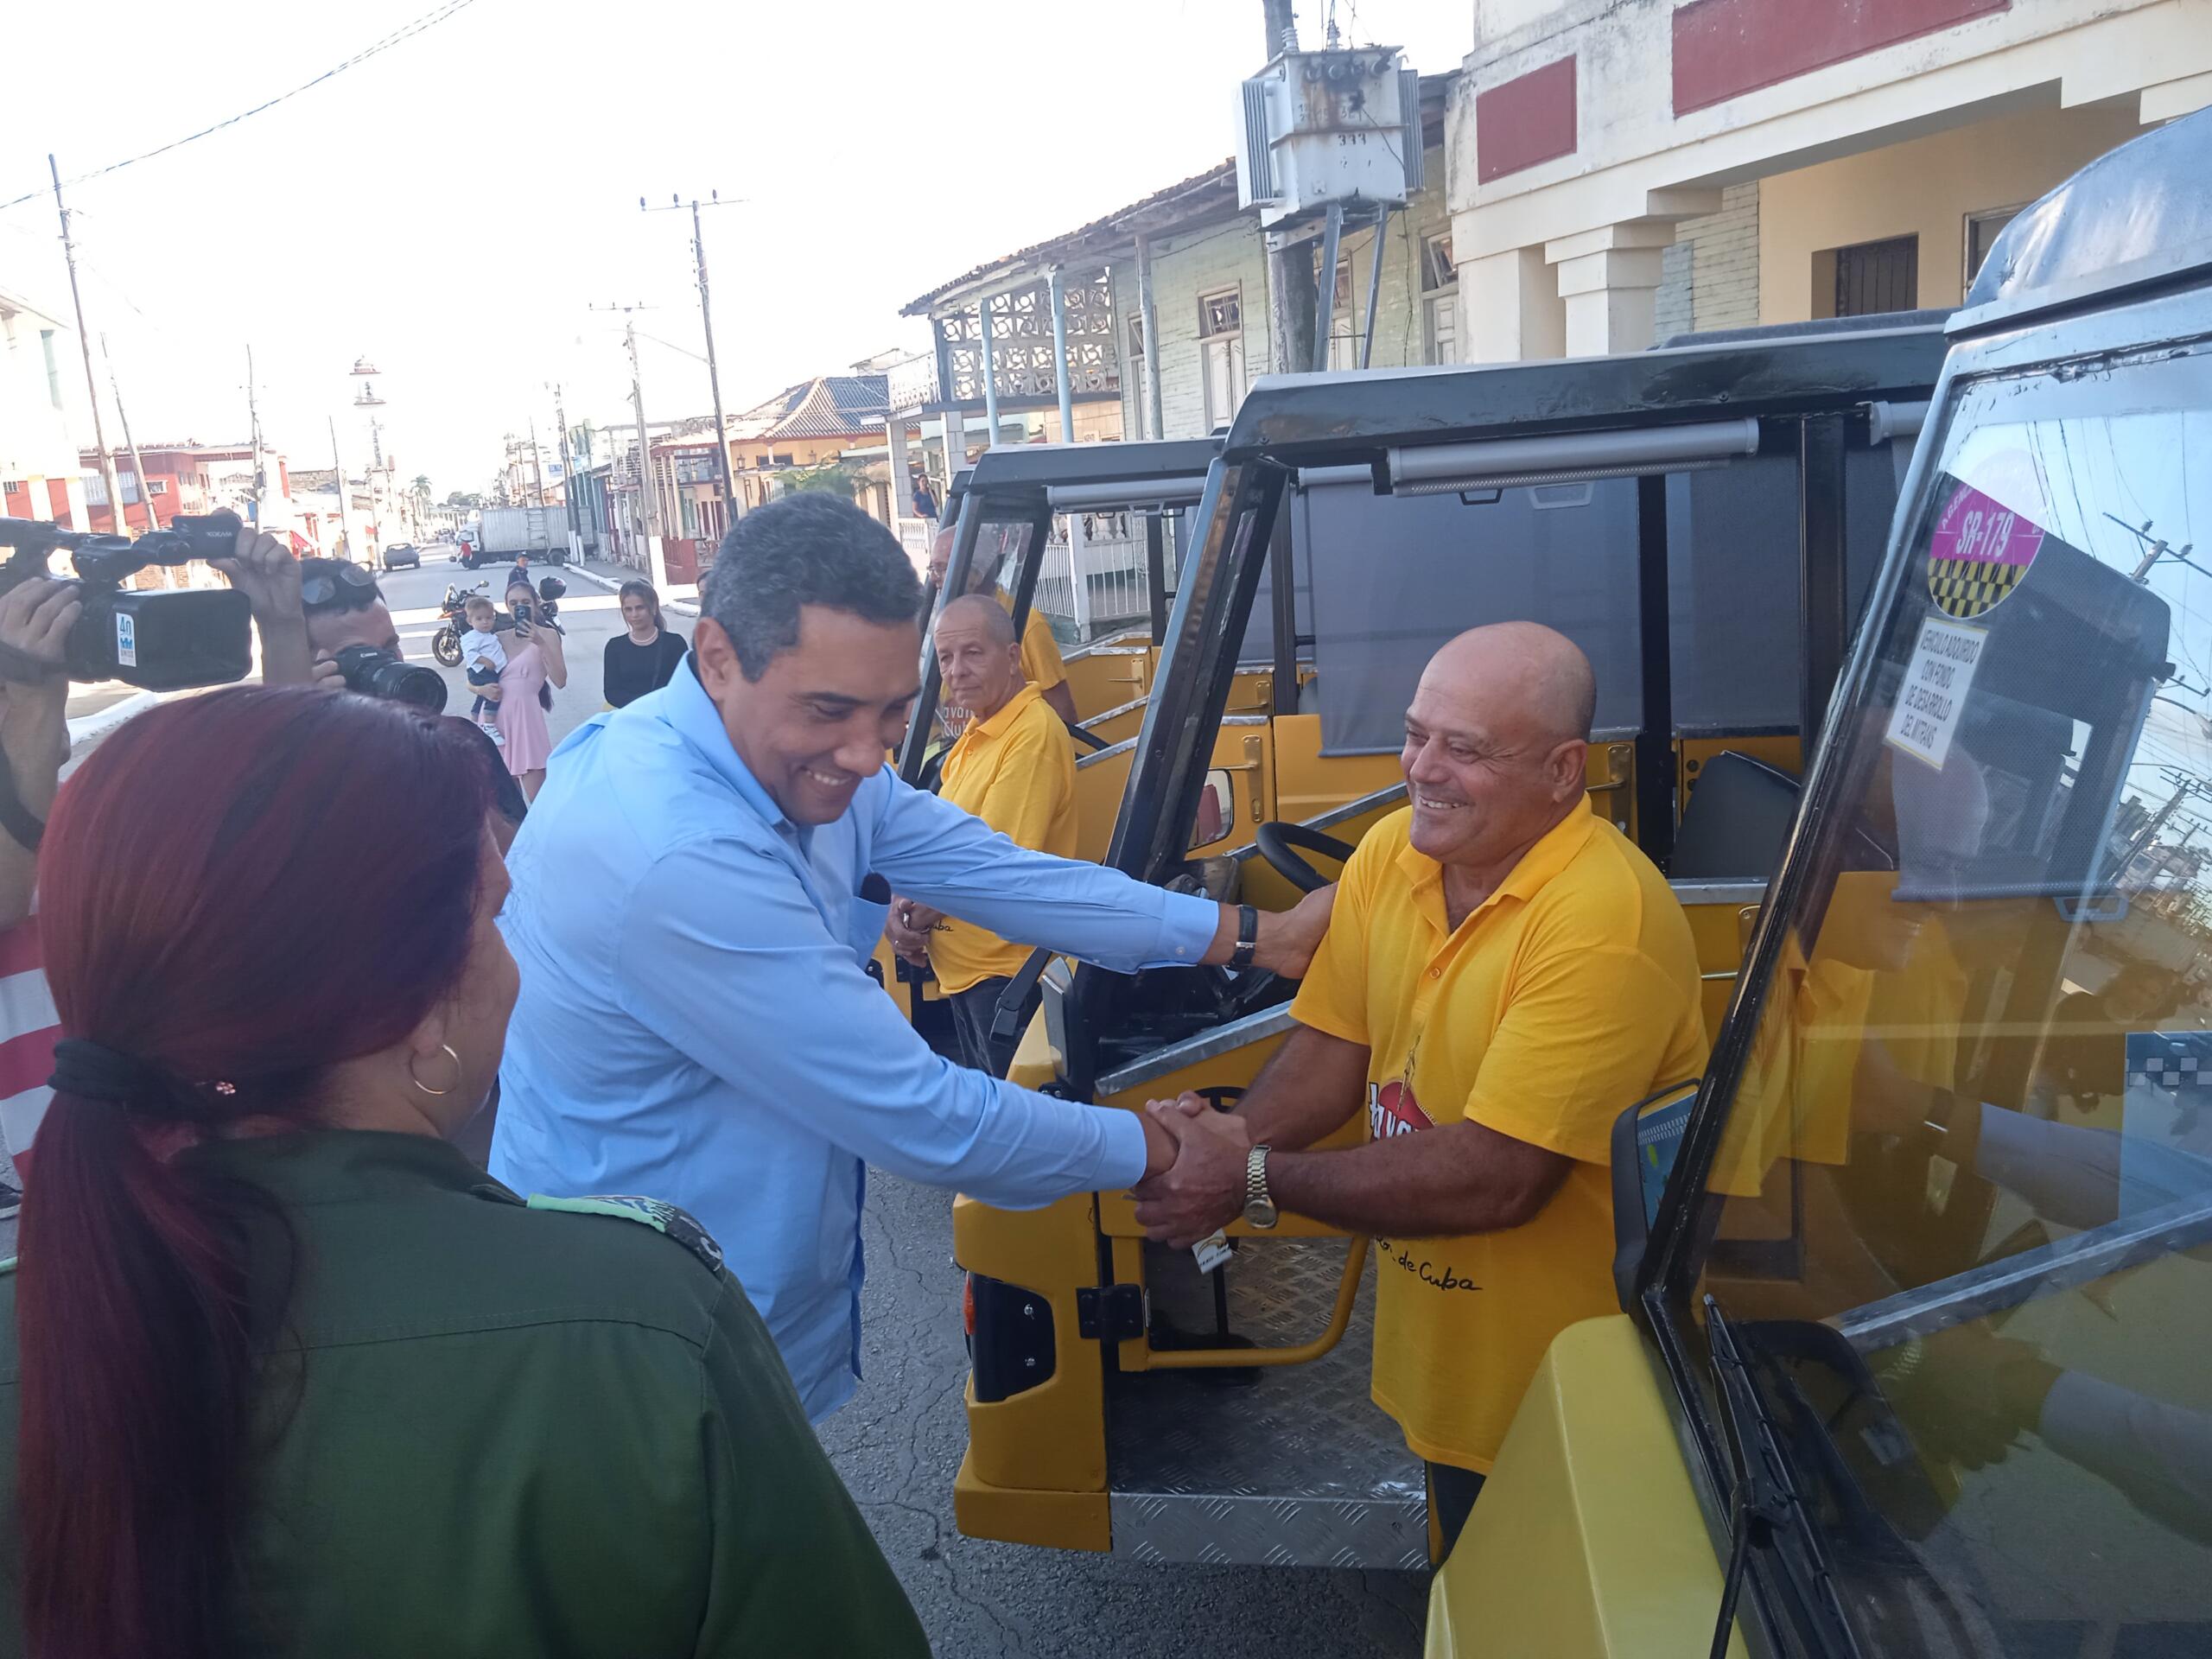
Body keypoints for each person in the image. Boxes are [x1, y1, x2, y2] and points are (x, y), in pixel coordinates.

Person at [0, 685, 929, 1659]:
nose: (514, 961)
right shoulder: (638, 1325)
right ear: (425, 1009)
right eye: (493, 919)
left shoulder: (46, 1313)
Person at [491, 494, 1333, 1421]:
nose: (864, 755)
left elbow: (1004, 874)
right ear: (719, 657)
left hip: (731, 1318)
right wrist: (1172, 1147)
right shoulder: (669, 848)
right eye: (829, 710)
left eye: (893, 712)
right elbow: (925, 1117)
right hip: (648, 1359)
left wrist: (1253, 937)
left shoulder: (780, 757)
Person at [1129, 622, 1707, 1554]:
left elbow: (1498, 1175)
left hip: (1561, 1395)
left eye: (1464, 749)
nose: (1421, 768)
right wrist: (1230, 1144)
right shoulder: (1395, 854)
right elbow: (1332, 1049)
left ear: (1564, 771)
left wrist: (1248, 1180)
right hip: (1445, 1364)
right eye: (1415, 733)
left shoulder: (1604, 922)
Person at [894, 593, 1077, 1076]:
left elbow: (990, 862)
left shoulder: (1031, 734)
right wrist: (900, 908)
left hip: (1007, 976)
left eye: (973, 653)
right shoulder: (977, 736)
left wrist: (912, 916)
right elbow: (938, 845)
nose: (956, 671)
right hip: (968, 975)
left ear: (1013, 656)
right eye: (946, 657)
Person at [293, 558, 531, 841]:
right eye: (360, 657)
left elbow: (520, 860)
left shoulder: (464, 744)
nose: (388, 668)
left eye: (390, 648)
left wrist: (444, 764)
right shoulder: (297, 780)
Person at [927, 523, 1079, 728]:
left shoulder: (1026, 624)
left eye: (942, 569)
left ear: (977, 573)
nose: (934, 579)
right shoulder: (944, 626)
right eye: (932, 569)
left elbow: (1064, 717)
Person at [494, 578, 568, 802]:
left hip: (526, 720)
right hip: (495, 720)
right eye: (513, 602)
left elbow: (560, 679)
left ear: (535, 603)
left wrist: (540, 643)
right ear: (506, 606)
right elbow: (475, 678)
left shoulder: (548, 634)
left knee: (540, 803)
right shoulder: (497, 638)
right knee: (507, 808)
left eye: (525, 602)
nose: (519, 607)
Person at [602, 578, 688, 709]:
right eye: (628, 609)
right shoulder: (615, 647)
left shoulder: (675, 644)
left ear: (653, 607)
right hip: (630, 719)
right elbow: (612, 691)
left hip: (666, 717)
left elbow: (683, 686)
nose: (634, 615)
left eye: (640, 608)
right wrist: (641, 706)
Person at [459, 594, 507, 746]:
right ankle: (489, 726)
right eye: (479, 619)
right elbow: (469, 653)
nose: (485, 622)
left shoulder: (488, 635)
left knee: (481, 697)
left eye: (489, 618)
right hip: (480, 671)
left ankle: (474, 720)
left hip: (488, 671)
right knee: (493, 694)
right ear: (470, 621)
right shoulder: (472, 637)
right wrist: (484, 661)